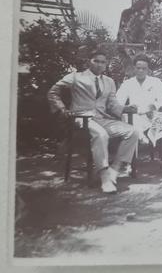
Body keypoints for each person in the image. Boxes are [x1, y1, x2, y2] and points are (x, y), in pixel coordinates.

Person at [47, 50, 139, 194]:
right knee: (101, 135)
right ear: (89, 61)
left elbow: (113, 104)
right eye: (96, 61)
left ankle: (114, 170)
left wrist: (126, 108)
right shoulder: (76, 77)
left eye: (103, 62)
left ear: (106, 64)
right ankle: (104, 177)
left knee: (133, 131)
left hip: (102, 118)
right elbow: (53, 92)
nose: (100, 64)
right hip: (82, 119)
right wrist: (62, 109)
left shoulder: (109, 82)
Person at [116, 54, 162, 143]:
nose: (140, 71)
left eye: (144, 68)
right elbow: (118, 102)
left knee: (138, 121)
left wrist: (154, 106)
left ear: (148, 69)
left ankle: (141, 138)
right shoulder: (128, 83)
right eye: (138, 68)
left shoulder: (156, 82)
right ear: (134, 68)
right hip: (134, 115)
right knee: (130, 119)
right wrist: (128, 107)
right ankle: (141, 138)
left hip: (151, 116)